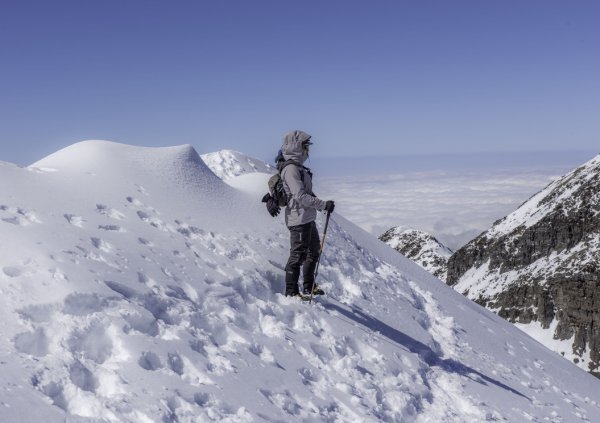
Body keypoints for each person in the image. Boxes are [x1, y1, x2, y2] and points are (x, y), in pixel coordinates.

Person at [279, 130, 335, 298]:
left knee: (313, 253)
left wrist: (320, 205)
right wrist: (323, 205)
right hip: (298, 219)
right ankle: (291, 292)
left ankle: (308, 287)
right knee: (298, 256)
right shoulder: (291, 169)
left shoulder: (299, 167)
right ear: (297, 147)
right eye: (305, 146)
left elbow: (306, 193)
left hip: (307, 217)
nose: (308, 150)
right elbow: (300, 196)